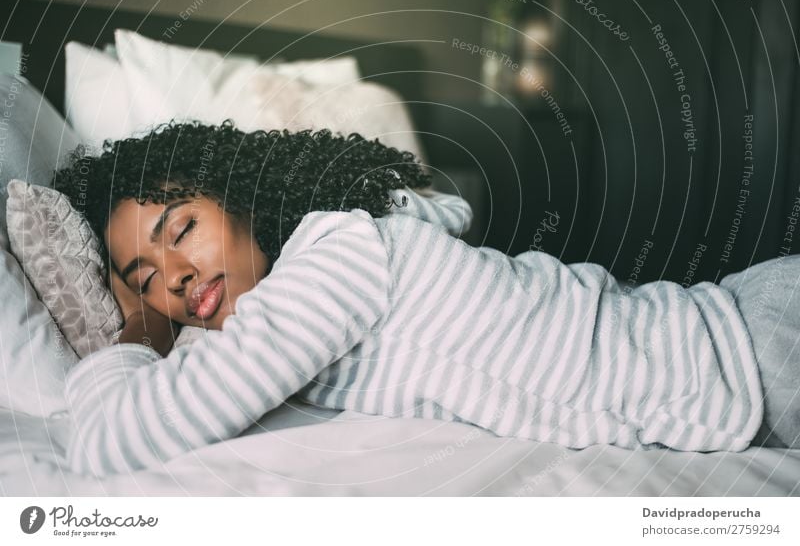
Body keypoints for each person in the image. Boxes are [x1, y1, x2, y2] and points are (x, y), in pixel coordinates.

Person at [53, 120, 798, 477]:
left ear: (240, 198)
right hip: (743, 332)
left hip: (750, 351)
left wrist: (139, 328)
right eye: (144, 276)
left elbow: (106, 440)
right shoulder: (333, 262)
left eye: (180, 228)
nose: (176, 274)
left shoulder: (332, 264)